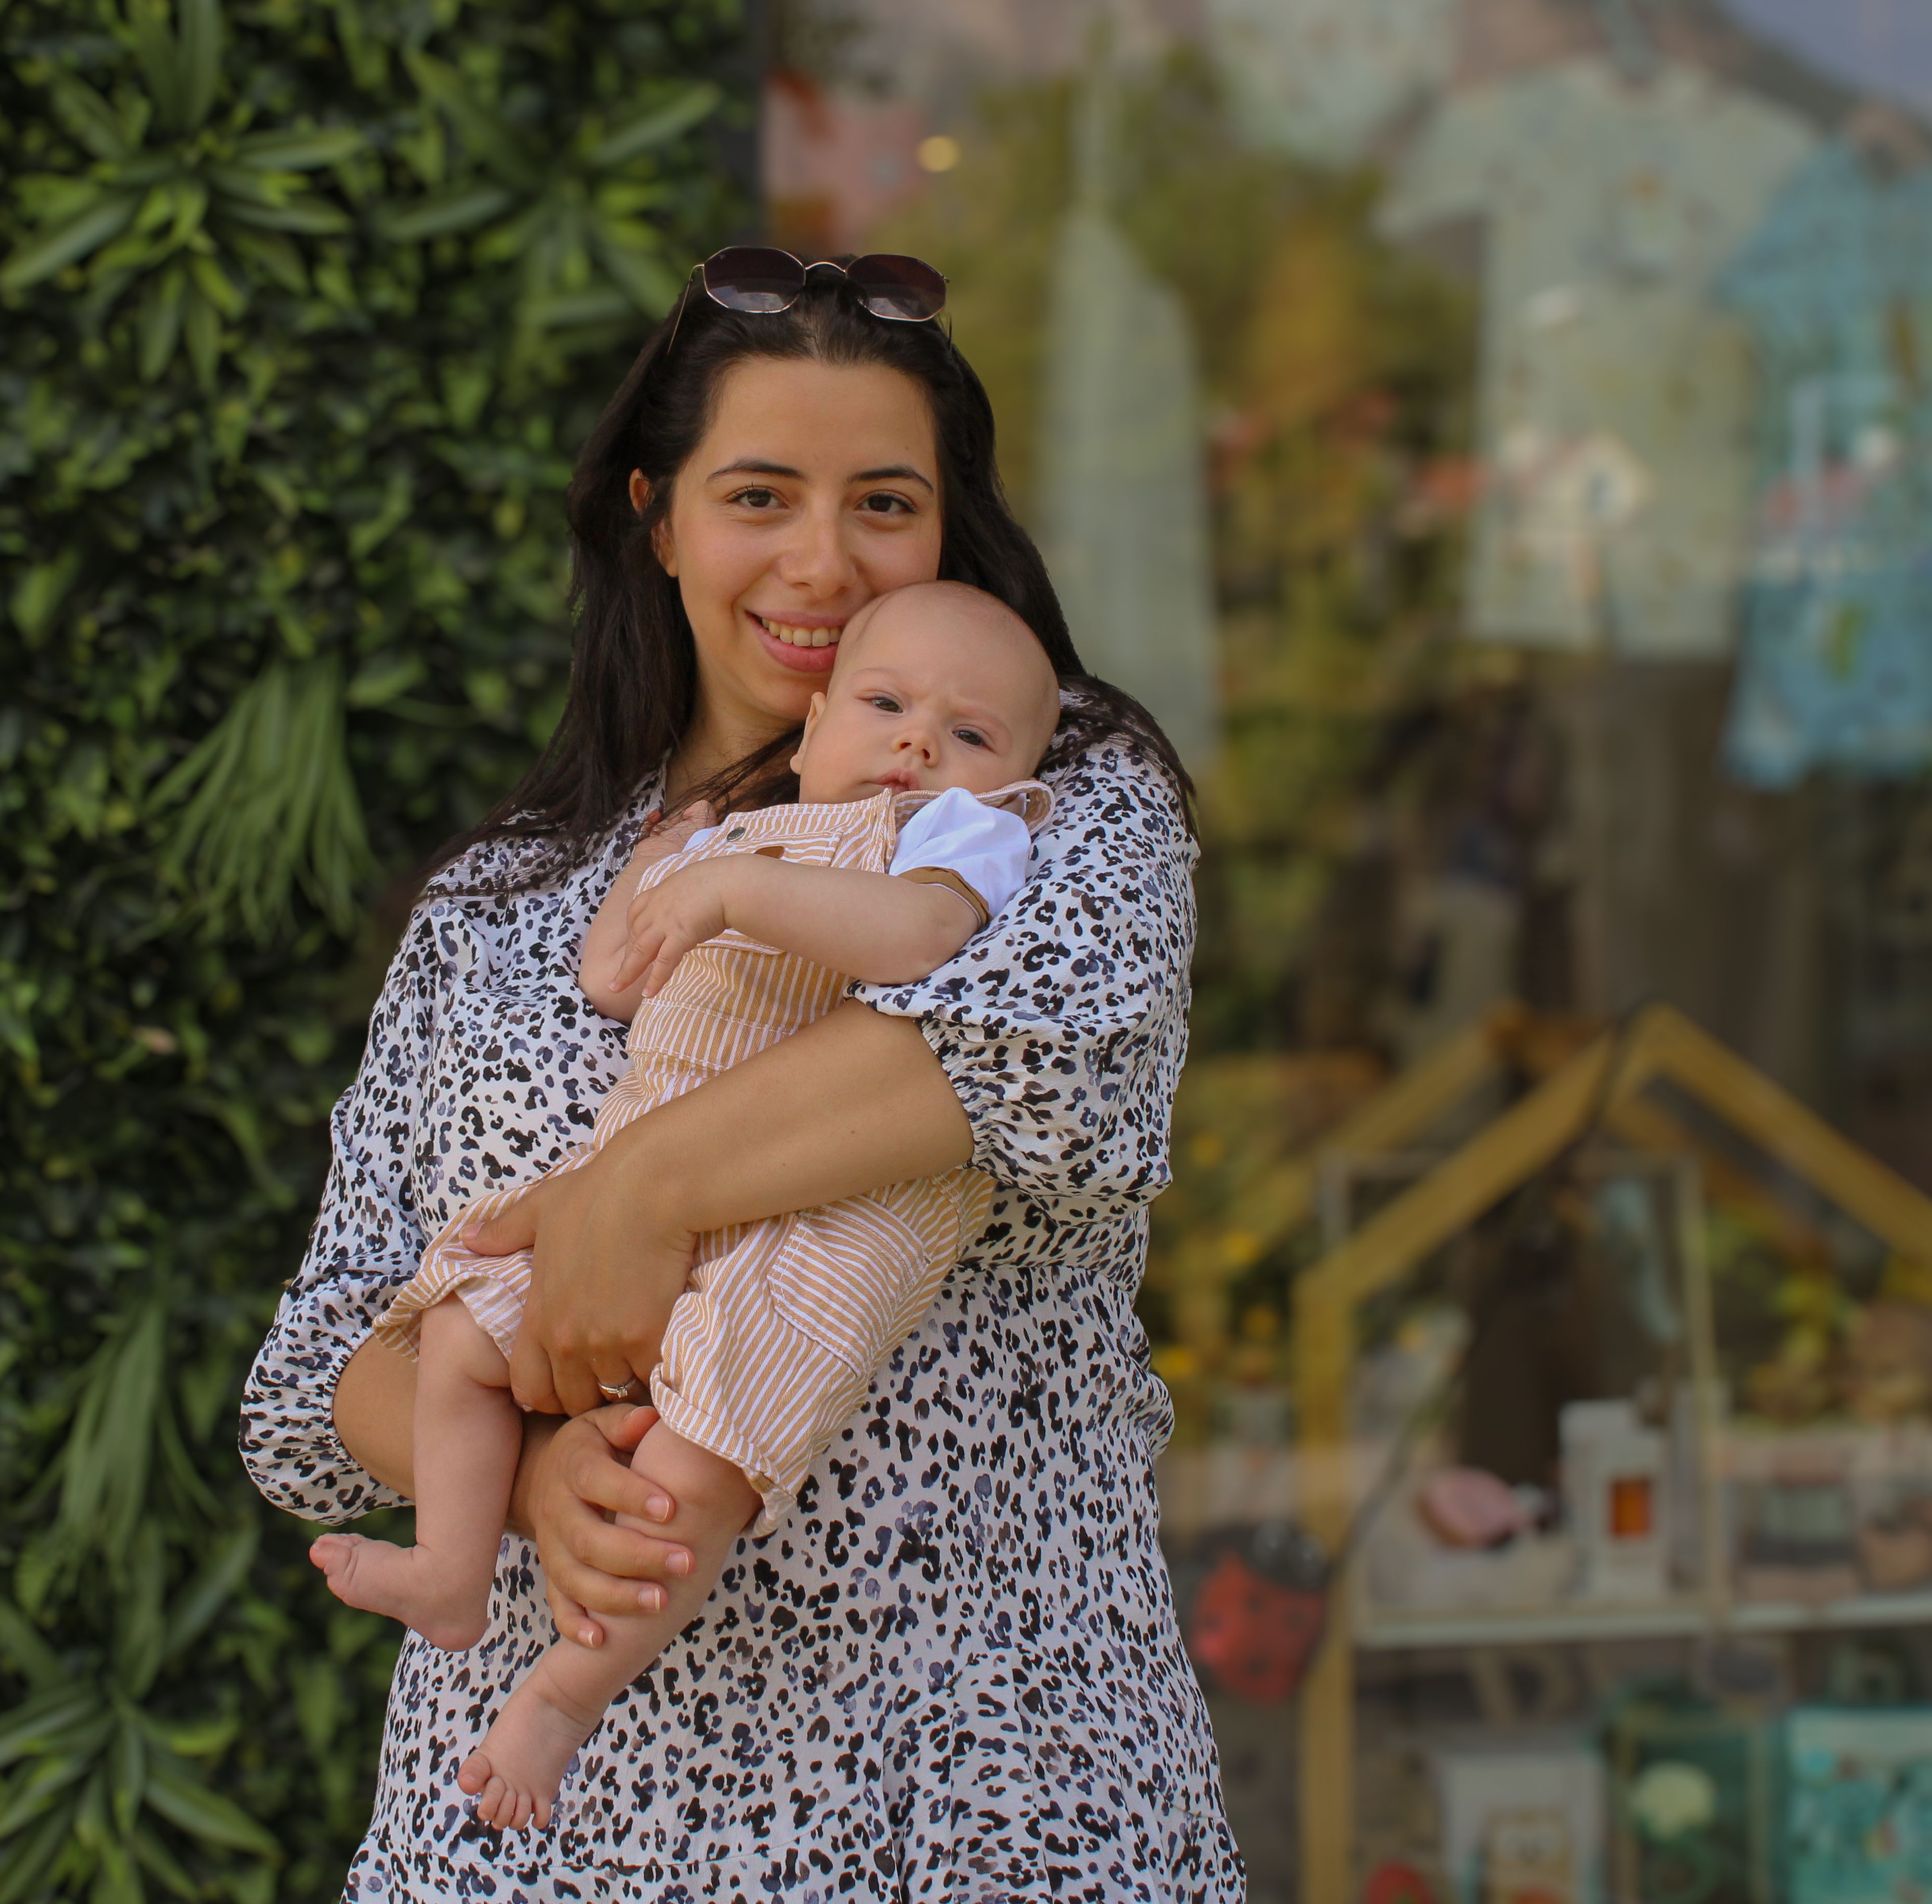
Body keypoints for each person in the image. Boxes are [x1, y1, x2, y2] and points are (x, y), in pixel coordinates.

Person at [241, 248, 1241, 1898]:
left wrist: (634, 1189)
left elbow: (1032, 1057)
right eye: (759, 495)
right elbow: (317, 1374)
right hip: (533, 1838)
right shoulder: (499, 908)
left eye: (886, 505)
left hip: (978, 1798)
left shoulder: (1048, 803)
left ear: (950, 528)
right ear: (659, 516)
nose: (824, 564)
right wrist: (529, 1489)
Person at [312, 580, 1062, 1830]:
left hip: (821, 1218)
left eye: (971, 734)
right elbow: (614, 977)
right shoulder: (730, 841)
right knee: (460, 1330)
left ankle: (561, 1698)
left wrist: (730, 892)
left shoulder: (960, 842)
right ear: (816, 728)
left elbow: (913, 938)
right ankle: (452, 1570)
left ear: (1018, 777)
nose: (921, 744)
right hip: (622, 1193)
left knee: (696, 1463)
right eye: (885, 706)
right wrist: (667, 870)